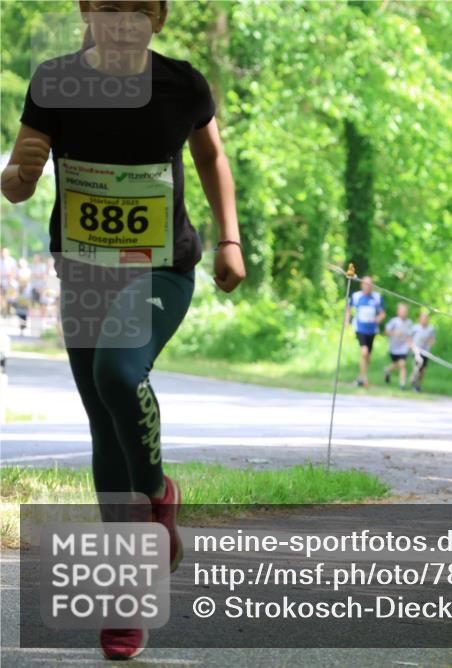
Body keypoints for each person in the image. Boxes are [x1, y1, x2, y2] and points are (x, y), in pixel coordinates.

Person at [2, 0, 246, 658]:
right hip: (84, 274)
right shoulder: (54, 82)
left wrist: (229, 239)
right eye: (108, 7)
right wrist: (20, 174)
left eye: (135, 10)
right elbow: (19, 181)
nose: (120, 21)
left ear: (157, 18)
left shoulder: (182, 84)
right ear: (87, 11)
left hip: (161, 270)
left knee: (119, 371)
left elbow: (211, 155)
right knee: (105, 428)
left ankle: (159, 490)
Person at [346, 275, 385, 388]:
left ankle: (361, 377)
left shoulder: (377, 297)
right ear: (362, 284)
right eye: (366, 284)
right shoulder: (356, 296)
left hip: (372, 330)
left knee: (368, 356)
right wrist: (347, 321)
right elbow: (348, 308)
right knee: (364, 351)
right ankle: (364, 378)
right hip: (360, 328)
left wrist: (378, 319)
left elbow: (382, 313)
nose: (368, 286)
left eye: (370, 284)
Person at [383, 302, 413, 390]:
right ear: (398, 312)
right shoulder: (394, 321)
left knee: (402, 364)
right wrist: (394, 333)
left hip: (404, 348)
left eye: (405, 311)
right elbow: (386, 332)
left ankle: (402, 384)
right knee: (395, 364)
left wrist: (411, 344)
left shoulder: (409, 323)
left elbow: (410, 336)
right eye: (402, 311)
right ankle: (387, 370)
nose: (404, 313)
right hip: (394, 348)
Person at [409, 310, 436, 392]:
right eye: (423, 318)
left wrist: (429, 345)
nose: (424, 320)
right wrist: (413, 347)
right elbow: (409, 338)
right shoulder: (415, 328)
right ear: (420, 319)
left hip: (425, 351)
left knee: (423, 370)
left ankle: (418, 385)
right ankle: (413, 380)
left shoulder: (431, 329)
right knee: (417, 364)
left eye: (426, 318)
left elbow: (432, 339)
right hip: (416, 350)